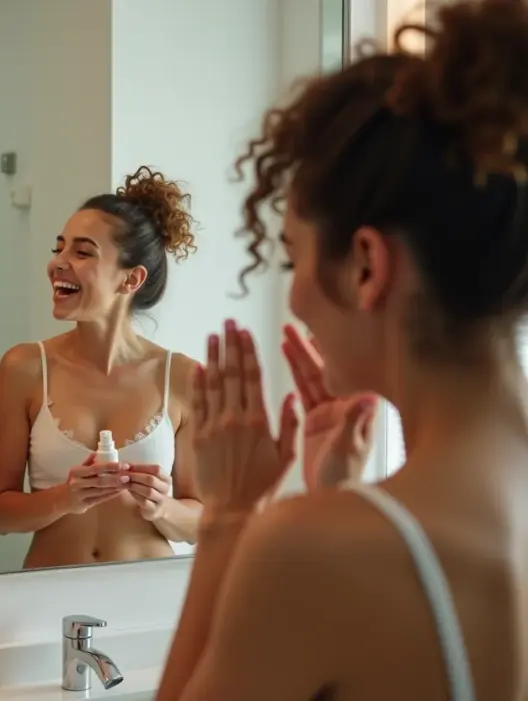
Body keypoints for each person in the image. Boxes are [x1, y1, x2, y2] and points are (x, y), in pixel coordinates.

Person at [156, 1, 528, 699]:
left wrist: (230, 514)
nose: (294, 299)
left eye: (292, 258)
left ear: (365, 265)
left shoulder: (310, 553)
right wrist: (341, 495)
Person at [0, 166, 204, 569]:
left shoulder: (184, 378)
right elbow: (0, 514)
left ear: (130, 279)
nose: (57, 264)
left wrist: (163, 508)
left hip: (145, 596)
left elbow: (202, 521)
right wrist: (63, 499)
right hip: (49, 593)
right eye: (59, 249)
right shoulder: (25, 368)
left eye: (82, 252)